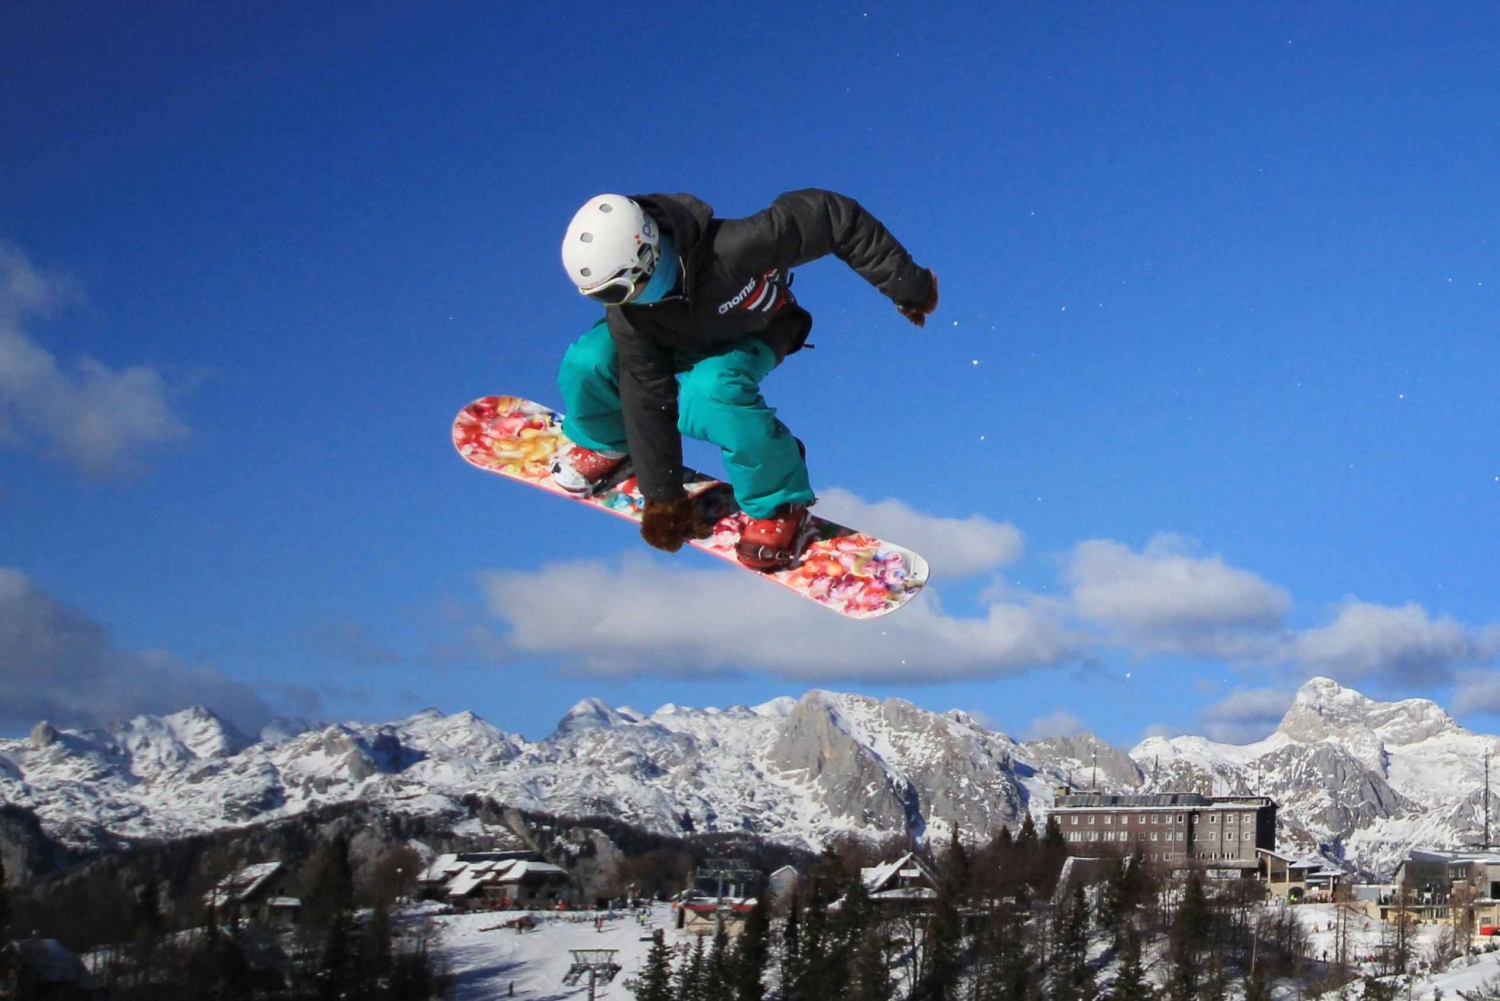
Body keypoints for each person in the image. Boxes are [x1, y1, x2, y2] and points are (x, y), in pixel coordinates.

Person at [553, 190, 938, 570]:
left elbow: (832, 216)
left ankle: (776, 501)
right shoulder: (630, 313)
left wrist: (909, 286)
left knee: (709, 394)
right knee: (589, 360)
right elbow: (647, 393)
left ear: (646, 255)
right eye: (599, 295)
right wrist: (663, 498)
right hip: (674, 341)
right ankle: (608, 443)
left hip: (756, 329)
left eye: (615, 288)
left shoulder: (735, 248)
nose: (615, 300)